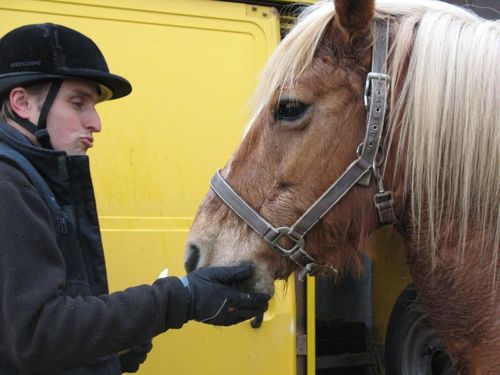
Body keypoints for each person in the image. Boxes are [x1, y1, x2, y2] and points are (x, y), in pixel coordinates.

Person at [0, 23, 270, 374]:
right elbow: (37, 335)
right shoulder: (8, 185)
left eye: (93, 107)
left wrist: (111, 348)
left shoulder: (34, 179)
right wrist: (182, 297)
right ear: (22, 103)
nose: (95, 122)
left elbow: (45, 333)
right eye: (78, 103)